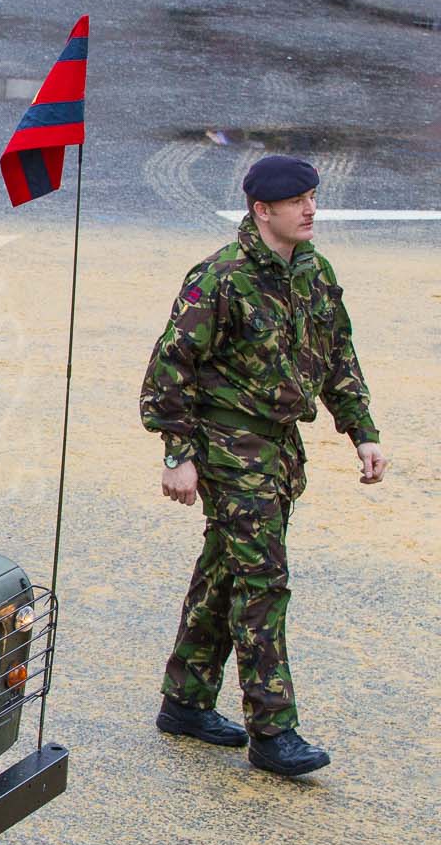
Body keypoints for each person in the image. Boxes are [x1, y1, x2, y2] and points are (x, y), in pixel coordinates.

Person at [140, 155, 387, 778]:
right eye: (297, 200)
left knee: (226, 570)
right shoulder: (222, 277)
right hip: (230, 448)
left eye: (312, 197)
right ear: (262, 210)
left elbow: (338, 356)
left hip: (277, 450)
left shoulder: (313, 272)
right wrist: (178, 454)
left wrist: (361, 433)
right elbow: (169, 369)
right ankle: (273, 732)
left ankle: (186, 700)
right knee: (263, 582)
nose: (310, 209)